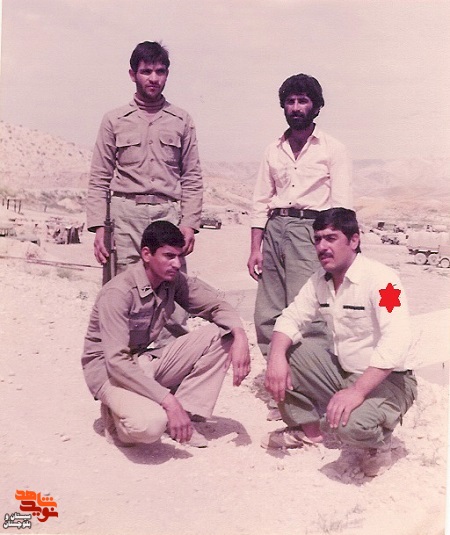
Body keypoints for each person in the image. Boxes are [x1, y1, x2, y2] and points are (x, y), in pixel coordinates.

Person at [261, 208, 417, 477]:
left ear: (353, 240)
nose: (322, 247)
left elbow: (397, 340)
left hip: (389, 381)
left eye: (331, 238)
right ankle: (310, 432)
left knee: (350, 426)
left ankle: (379, 446)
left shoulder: (382, 280)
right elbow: (291, 317)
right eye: (318, 239)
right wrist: (275, 358)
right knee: (288, 351)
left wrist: (357, 391)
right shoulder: (319, 281)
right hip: (343, 372)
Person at [81, 221, 250, 448]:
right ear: (146, 254)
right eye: (169, 256)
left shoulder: (172, 281)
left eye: (179, 257)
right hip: (110, 372)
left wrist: (240, 336)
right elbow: (116, 361)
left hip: (142, 361)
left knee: (222, 334)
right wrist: (168, 401)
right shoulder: (118, 292)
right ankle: (115, 417)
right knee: (150, 426)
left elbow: (217, 306)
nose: (177, 263)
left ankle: (183, 418)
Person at [247, 74, 353, 365]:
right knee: (267, 310)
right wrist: (255, 248)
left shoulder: (332, 149)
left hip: (311, 230)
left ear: (316, 106)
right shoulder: (273, 149)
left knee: (308, 306)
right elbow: (260, 200)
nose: (295, 107)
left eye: (302, 101)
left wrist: (334, 246)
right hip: (274, 229)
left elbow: (342, 206)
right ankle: (276, 374)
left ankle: (309, 377)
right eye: (290, 101)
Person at [86, 41, 202, 271]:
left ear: (167, 74)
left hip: (167, 216)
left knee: (169, 284)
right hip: (125, 219)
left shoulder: (181, 120)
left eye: (160, 71)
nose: (153, 78)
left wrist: (189, 223)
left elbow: (192, 177)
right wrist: (99, 227)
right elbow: (99, 177)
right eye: (146, 71)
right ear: (133, 74)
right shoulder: (114, 120)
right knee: (125, 283)